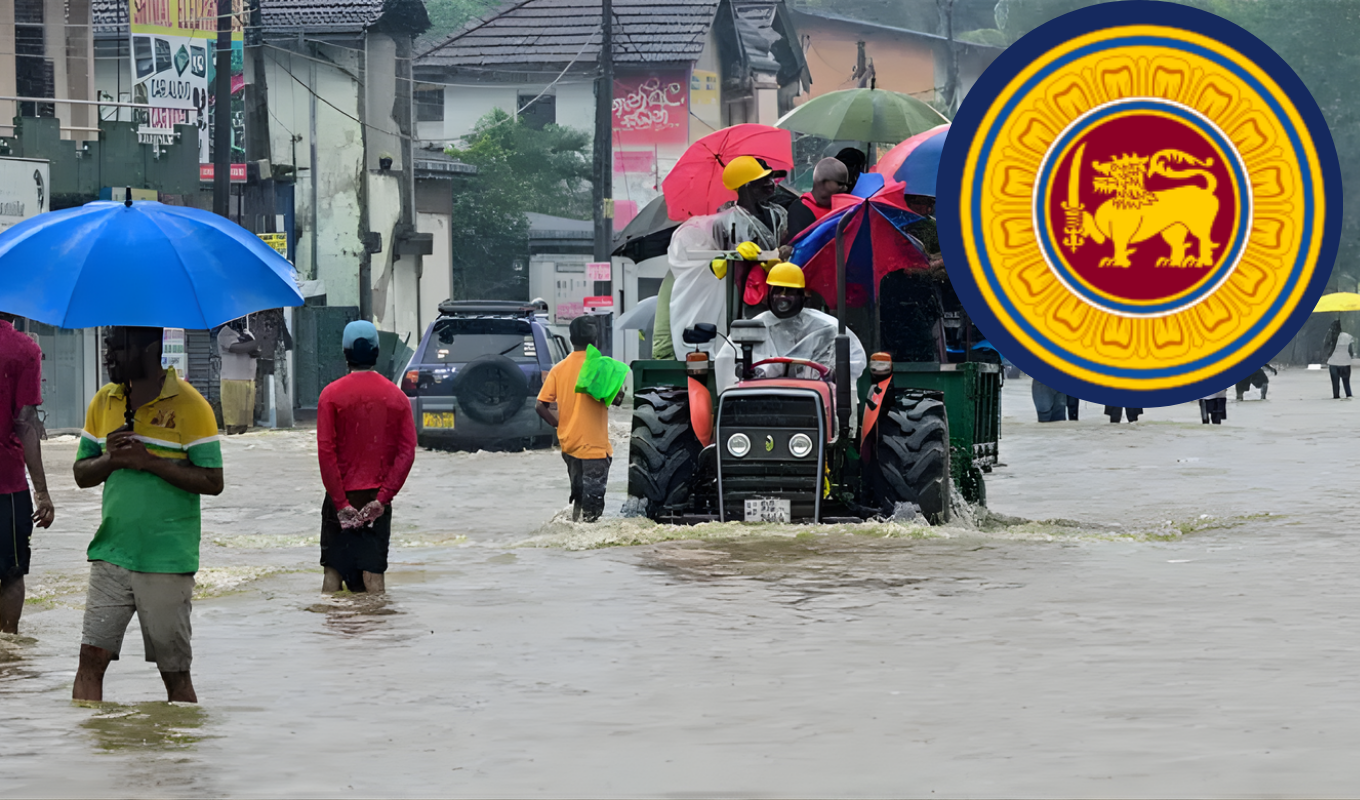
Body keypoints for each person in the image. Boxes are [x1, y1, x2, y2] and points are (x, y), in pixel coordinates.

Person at [72, 327, 223, 703]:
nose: (110, 356)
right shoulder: (105, 401)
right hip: (110, 553)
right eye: (109, 347)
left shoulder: (191, 405)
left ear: (152, 349)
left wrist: (149, 463)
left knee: (174, 673)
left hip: (166, 559)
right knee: (90, 659)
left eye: (119, 348)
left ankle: (178, 756)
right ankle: (88, 753)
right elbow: (81, 474)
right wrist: (111, 458)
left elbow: (213, 480)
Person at [316, 321, 417, 594]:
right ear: (377, 351)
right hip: (376, 498)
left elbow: (326, 453)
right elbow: (407, 452)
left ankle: (326, 636)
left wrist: (340, 504)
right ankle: (377, 637)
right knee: (374, 578)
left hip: (341, 496)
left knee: (332, 576)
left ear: (345, 352)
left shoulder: (330, 396)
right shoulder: (397, 398)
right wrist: (382, 500)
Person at [666, 155, 791, 353]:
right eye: (762, 179)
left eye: (770, 177)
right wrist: (726, 259)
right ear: (746, 185)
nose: (770, 183)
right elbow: (708, 253)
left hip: (774, 291)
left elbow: (784, 244)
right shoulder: (725, 219)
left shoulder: (779, 214)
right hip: (740, 296)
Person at [714, 262, 867, 397]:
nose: (783, 297)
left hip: (813, 401)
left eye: (790, 291)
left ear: (803, 295)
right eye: (779, 290)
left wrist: (833, 380)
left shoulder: (827, 328)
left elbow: (853, 362)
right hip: (763, 401)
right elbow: (726, 366)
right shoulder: (754, 327)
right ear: (769, 293)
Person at [1, 312, 55, 634]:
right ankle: (9, 654)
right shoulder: (23, 349)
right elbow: (25, 422)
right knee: (10, 572)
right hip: (6, 486)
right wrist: (42, 492)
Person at [536, 316, 620, 522]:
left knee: (579, 498)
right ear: (595, 340)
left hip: (570, 446)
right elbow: (617, 399)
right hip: (594, 448)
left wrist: (558, 424)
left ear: (571, 339)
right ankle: (587, 550)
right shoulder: (600, 367)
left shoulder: (558, 369)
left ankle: (575, 539)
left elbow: (540, 405)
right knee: (593, 511)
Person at [785, 158, 850, 242]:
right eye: (840, 184)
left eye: (845, 184)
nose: (845, 188)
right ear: (823, 182)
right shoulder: (801, 209)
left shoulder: (845, 208)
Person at [218, 317, 260, 435]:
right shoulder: (225, 333)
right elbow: (236, 348)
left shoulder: (247, 333)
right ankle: (232, 429)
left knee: (245, 413)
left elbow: (255, 351)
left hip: (248, 378)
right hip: (232, 379)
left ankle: (243, 428)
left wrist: (255, 346)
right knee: (233, 413)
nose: (241, 322)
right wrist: (257, 342)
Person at [1325, 320, 1353, 399]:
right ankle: (1348, 395)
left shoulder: (1330, 336)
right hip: (1345, 362)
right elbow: (1350, 351)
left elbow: (1326, 346)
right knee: (1346, 381)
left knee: (1335, 383)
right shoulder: (1348, 336)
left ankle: (1336, 396)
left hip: (1333, 362)